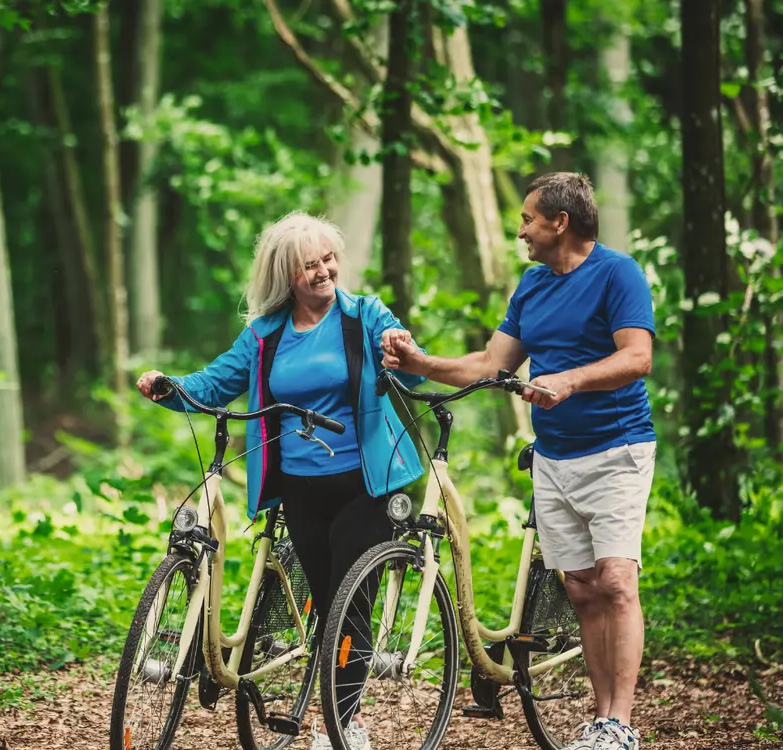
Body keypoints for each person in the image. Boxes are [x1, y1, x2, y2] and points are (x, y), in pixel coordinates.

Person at [382, 172, 655, 750]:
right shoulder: (532, 287)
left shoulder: (617, 273)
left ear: (561, 222)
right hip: (555, 456)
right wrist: (418, 361)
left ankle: (619, 724)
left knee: (615, 580)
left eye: (529, 220)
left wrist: (569, 381)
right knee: (580, 587)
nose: (521, 231)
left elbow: (636, 357)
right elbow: (489, 364)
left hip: (618, 448)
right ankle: (602, 718)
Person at [135, 211, 425, 750]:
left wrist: (404, 354)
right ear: (286, 275)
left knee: (348, 600)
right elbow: (216, 381)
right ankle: (334, 708)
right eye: (308, 265)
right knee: (324, 602)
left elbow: (408, 368)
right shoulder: (266, 334)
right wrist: (169, 387)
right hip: (300, 487)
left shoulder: (364, 316)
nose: (323, 271)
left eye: (328, 259)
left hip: (367, 481)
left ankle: (344, 725)